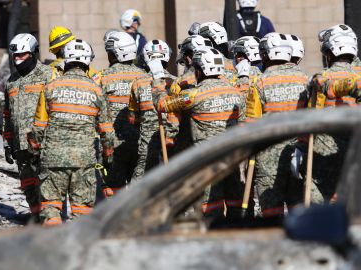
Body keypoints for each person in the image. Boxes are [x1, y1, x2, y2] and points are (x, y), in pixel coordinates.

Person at [151, 48, 245, 218]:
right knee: (235, 204)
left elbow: (162, 104)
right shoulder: (236, 92)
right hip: (232, 157)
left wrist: (158, 80)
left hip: (207, 161)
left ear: (200, 70)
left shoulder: (193, 95)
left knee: (210, 208)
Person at [32, 39, 114, 225]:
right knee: (82, 213)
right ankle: (78, 251)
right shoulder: (96, 90)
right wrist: (108, 157)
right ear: (87, 61)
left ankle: (54, 250)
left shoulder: (50, 88)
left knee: (51, 210)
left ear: (66, 60)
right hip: (83, 162)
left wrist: (35, 152)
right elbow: (107, 132)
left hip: (52, 159)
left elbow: (38, 127)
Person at [292, 25, 359, 205]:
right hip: (354, 153)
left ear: (329, 53)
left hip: (322, 152)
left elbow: (309, 118)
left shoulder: (320, 79)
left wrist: (301, 146)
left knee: (316, 201)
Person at [245, 33, 309, 218]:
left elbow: (251, 126)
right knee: (299, 210)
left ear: (265, 55)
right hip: (299, 154)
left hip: (268, 158)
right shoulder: (305, 79)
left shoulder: (259, 83)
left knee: (272, 212)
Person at [4, 33, 57, 221]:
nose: (18, 59)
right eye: (15, 56)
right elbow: (7, 115)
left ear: (34, 53)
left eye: (22, 55)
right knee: (28, 185)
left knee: (47, 185)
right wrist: (7, 142)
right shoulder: (11, 81)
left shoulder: (49, 75)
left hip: (44, 145)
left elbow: (56, 109)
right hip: (21, 147)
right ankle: (36, 219)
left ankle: (50, 221)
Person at [99, 31, 146, 196]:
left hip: (113, 147)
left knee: (113, 193)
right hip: (141, 145)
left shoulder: (102, 78)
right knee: (139, 194)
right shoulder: (145, 77)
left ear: (113, 54)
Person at [128, 39, 177, 180]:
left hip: (146, 145)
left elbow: (132, 119)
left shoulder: (138, 83)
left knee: (141, 185)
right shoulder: (175, 82)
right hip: (172, 140)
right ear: (167, 57)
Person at [170, 35, 213, 155]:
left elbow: (172, 116)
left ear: (189, 57)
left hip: (189, 146)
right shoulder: (226, 80)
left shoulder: (179, 83)